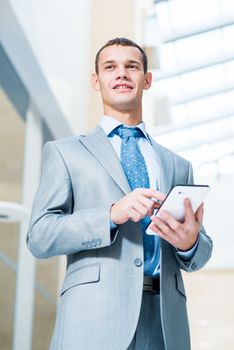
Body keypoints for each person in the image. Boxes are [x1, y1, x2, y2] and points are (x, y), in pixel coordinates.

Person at [27, 37, 213, 350]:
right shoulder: (65, 153)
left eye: (132, 66)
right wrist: (110, 215)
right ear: (95, 81)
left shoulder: (178, 165)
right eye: (110, 67)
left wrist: (190, 243)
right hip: (92, 319)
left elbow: (202, 250)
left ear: (147, 79)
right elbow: (39, 236)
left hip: (164, 323)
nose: (122, 73)